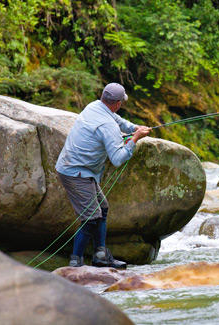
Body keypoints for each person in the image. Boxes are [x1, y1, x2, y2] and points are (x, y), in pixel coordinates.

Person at [55, 83, 152, 269]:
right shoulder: (108, 126)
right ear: (117, 103)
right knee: (91, 217)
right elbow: (117, 158)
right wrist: (135, 139)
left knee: (102, 208)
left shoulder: (94, 106)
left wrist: (133, 128)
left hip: (81, 169)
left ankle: (100, 255)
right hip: (75, 172)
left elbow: (116, 119)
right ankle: (75, 263)